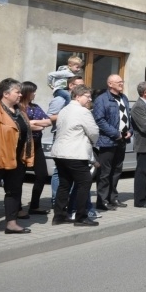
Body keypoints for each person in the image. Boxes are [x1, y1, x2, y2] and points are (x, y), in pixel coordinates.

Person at [0, 78, 33, 237]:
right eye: (17, 92)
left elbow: (24, 132)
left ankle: (12, 224)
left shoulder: (20, 110)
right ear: (6, 94)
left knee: (14, 192)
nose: (21, 94)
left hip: (16, 159)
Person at [51, 85, 99, 227]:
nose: (90, 99)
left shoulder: (64, 110)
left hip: (60, 153)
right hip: (75, 153)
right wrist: (93, 142)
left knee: (64, 184)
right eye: (87, 96)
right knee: (84, 183)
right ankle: (81, 217)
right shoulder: (83, 112)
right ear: (77, 96)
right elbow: (94, 131)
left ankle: (59, 216)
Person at [92, 74, 131, 210]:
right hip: (108, 141)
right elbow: (100, 120)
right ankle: (102, 201)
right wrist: (116, 134)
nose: (121, 83)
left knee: (117, 171)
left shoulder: (123, 98)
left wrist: (130, 130)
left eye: (122, 81)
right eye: (118, 82)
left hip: (122, 141)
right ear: (110, 84)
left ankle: (113, 198)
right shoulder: (101, 99)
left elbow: (127, 116)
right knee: (105, 173)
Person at [20, 81, 52, 216]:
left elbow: (48, 121)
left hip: (37, 144)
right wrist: (33, 125)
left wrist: (33, 123)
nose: (35, 94)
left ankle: (34, 205)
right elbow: (23, 125)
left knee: (42, 174)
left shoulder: (35, 107)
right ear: (27, 92)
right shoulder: (18, 108)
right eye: (33, 91)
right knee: (19, 177)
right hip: (23, 145)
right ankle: (17, 208)